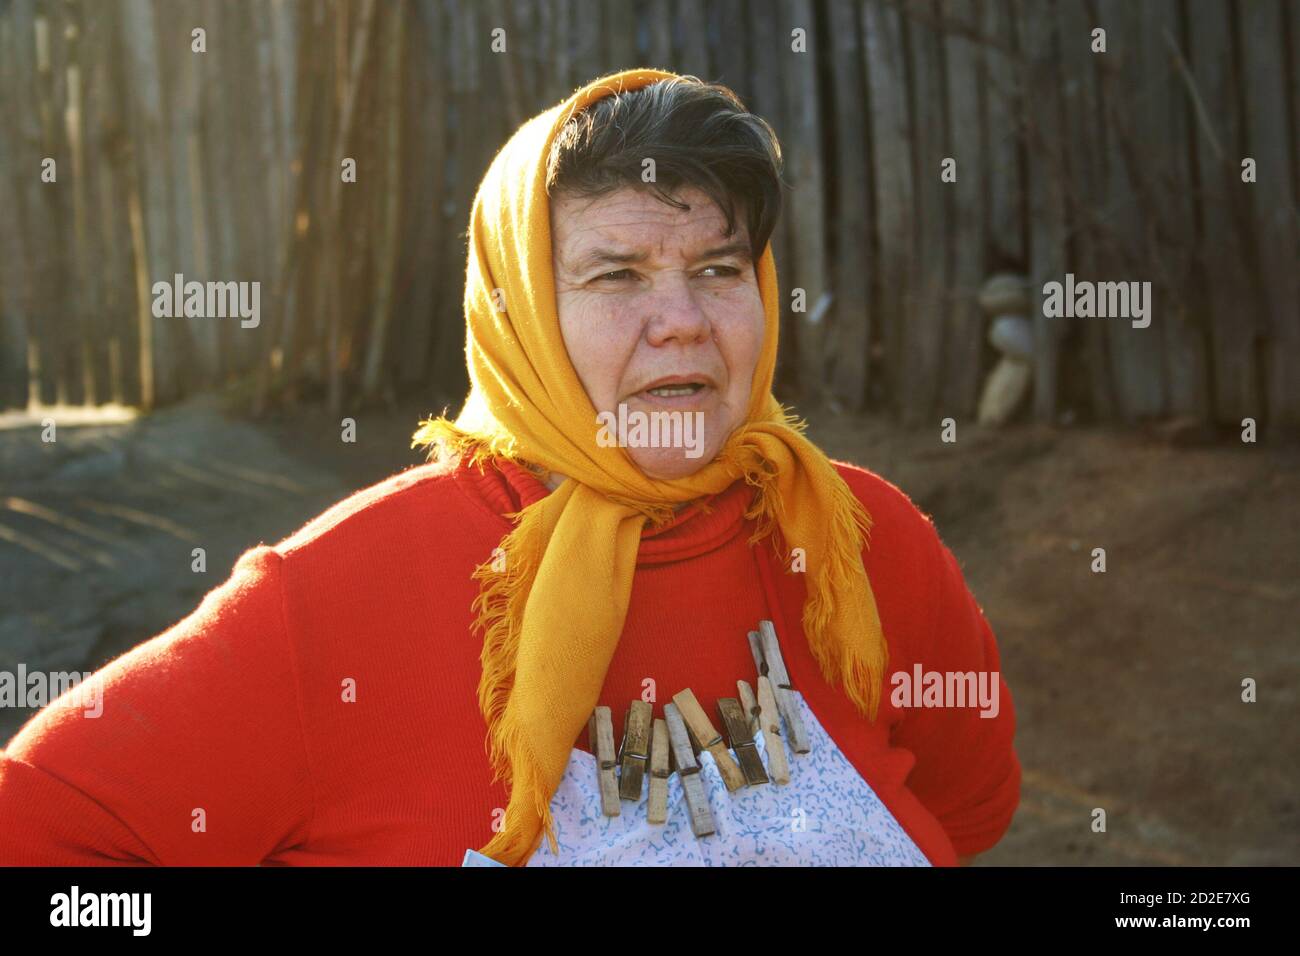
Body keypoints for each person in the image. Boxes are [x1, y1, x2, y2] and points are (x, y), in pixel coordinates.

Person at [0, 68, 1019, 867]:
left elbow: (966, 804)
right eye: (616, 274)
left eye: (718, 268)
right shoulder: (338, 599)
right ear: (520, 308)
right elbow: (39, 827)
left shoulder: (855, 537)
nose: (683, 321)